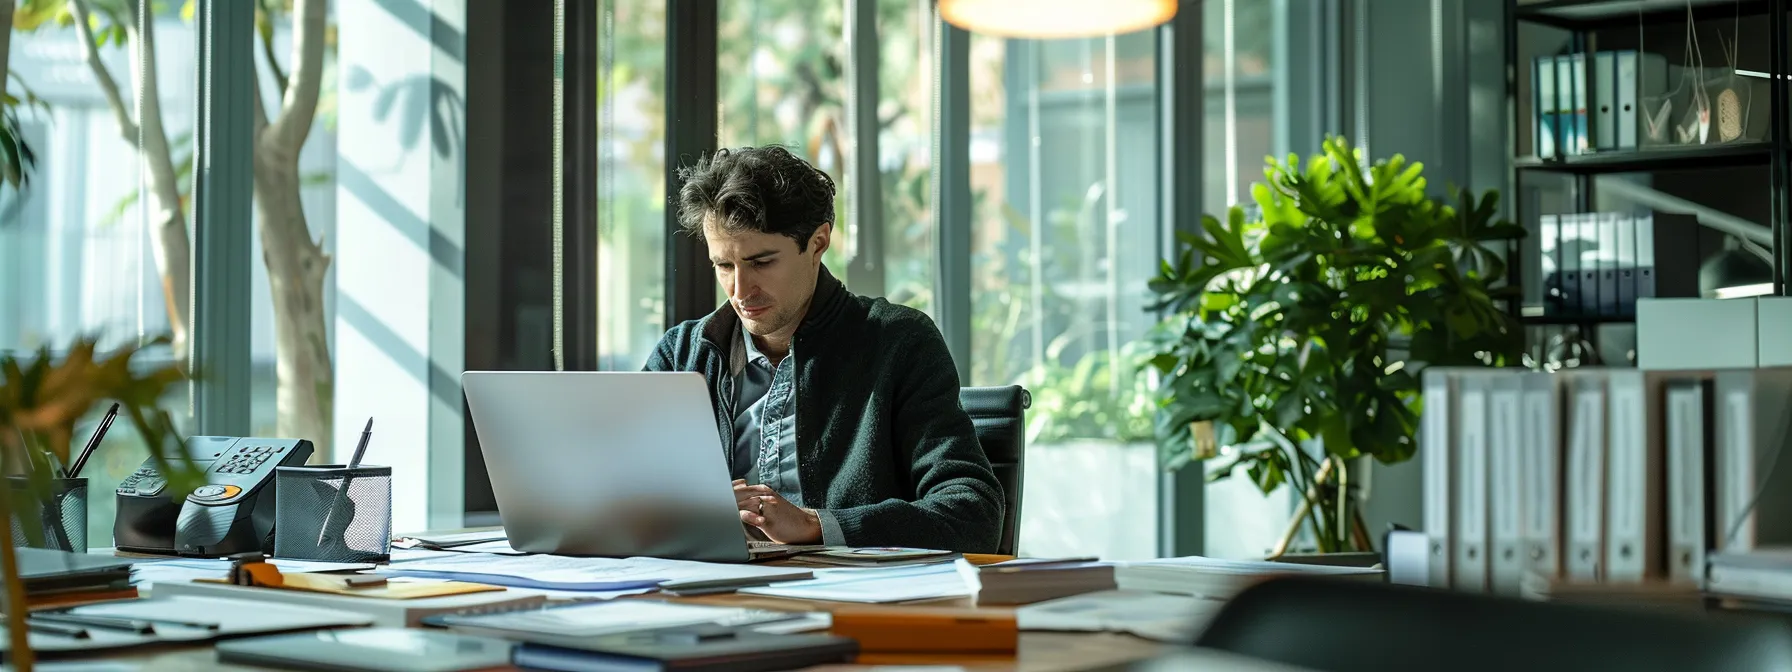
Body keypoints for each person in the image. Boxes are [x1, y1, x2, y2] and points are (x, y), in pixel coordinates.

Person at [644, 145, 1004, 554]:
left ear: (817, 243)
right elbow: (619, 492)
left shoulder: (900, 344)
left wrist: (817, 526)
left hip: (849, 604)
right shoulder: (682, 356)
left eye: (761, 262)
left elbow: (973, 514)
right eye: (724, 266)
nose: (740, 291)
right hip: (708, 593)